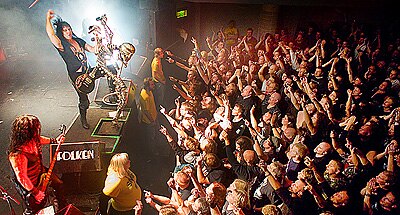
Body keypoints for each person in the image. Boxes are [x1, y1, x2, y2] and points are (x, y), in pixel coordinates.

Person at [45, 9, 95, 129]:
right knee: (85, 101)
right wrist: (47, 19)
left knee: (108, 69)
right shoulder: (62, 45)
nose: (68, 32)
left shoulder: (78, 41)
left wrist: (97, 36)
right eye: (65, 30)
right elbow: (51, 35)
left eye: (69, 29)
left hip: (88, 71)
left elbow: (93, 50)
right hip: (77, 78)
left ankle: (115, 95)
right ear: (61, 33)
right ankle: (83, 120)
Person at [8, 114, 66, 214]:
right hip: (29, 183)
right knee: (33, 206)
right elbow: (22, 178)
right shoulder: (17, 154)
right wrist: (35, 192)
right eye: (36, 128)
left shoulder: (34, 139)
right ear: (27, 132)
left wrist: (54, 140)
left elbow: (40, 139)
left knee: (58, 184)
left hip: (40, 172)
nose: (38, 129)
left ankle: (61, 206)